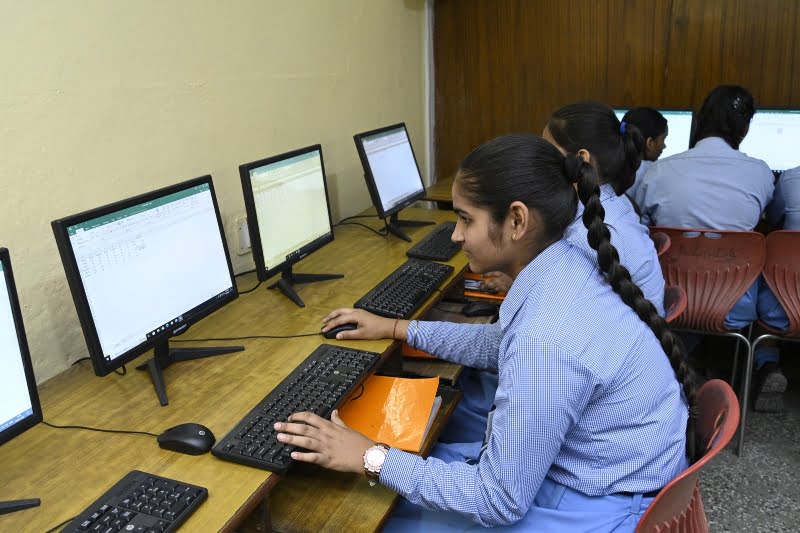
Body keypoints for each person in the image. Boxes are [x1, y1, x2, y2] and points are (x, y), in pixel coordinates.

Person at [274, 134, 694, 531]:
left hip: (605, 505)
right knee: (415, 457)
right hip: (610, 470)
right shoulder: (566, 262)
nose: (455, 235)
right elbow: (499, 344)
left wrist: (367, 456)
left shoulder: (547, 338)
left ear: (516, 220)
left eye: (464, 219)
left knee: (365, 519)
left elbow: (498, 500)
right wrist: (398, 327)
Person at [463, 102, 668, 445]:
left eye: (548, 153)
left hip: (601, 435)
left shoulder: (584, 247)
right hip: (626, 412)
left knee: (448, 410)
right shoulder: (602, 219)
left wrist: (375, 458)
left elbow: (499, 497)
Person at [636, 85, 788, 411]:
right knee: (769, 259)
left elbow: (643, 229)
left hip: (668, 300)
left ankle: (676, 361)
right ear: (744, 128)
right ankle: (763, 361)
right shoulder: (760, 173)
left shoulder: (659, 170)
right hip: (733, 307)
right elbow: (774, 220)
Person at [621, 107, 668, 201]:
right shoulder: (655, 172)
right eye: (663, 139)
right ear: (649, 143)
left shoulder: (611, 165)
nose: (664, 146)